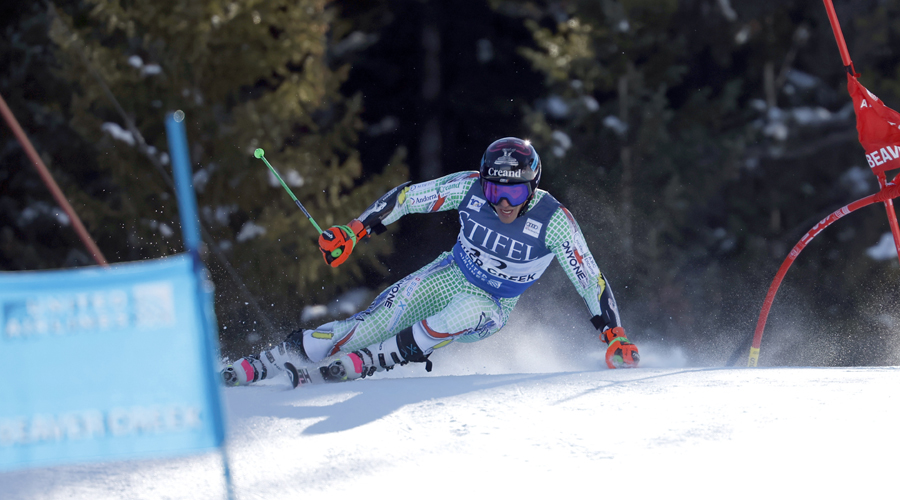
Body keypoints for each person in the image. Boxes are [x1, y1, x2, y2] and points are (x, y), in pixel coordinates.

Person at [222, 137, 639, 387]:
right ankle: (267, 363)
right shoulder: (469, 187)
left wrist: (613, 334)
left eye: (514, 194)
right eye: (495, 193)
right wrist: (355, 230)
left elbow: (590, 279)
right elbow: (407, 198)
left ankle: (373, 361)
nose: (504, 204)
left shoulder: (554, 221)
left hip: (491, 306)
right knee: (362, 327)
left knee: (465, 309)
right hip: (448, 274)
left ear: (533, 187)